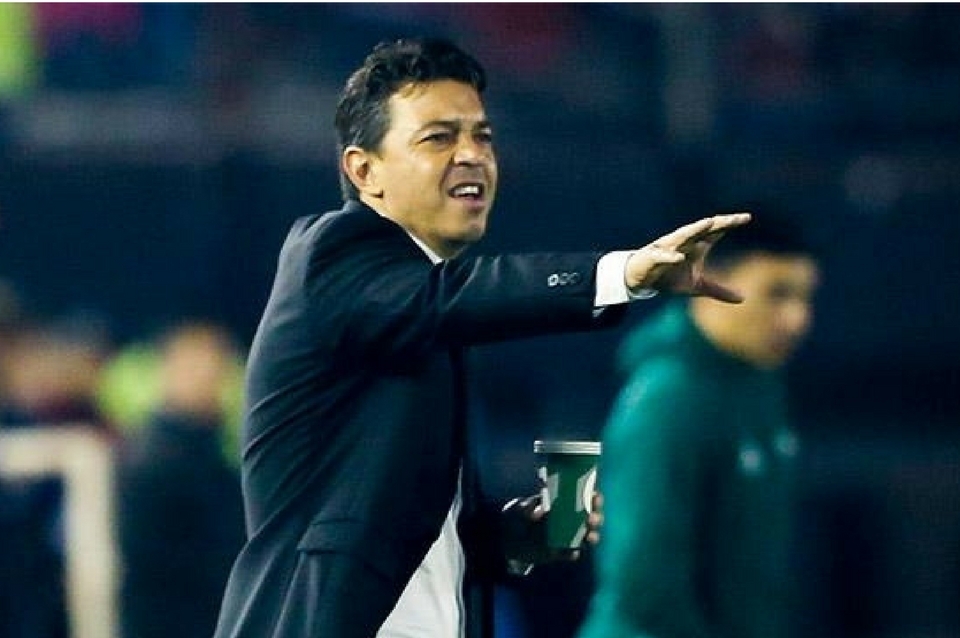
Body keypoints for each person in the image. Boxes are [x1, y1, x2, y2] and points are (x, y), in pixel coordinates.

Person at [212, 37, 751, 638]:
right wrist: (620, 273)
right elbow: (451, 298)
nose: (472, 155)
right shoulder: (332, 256)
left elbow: (404, 531)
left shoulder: (424, 309)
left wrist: (513, 537)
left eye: (482, 136)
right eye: (438, 138)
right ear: (364, 171)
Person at [576, 210, 820, 638]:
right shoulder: (667, 399)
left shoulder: (759, 390)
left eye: (805, 297)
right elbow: (643, 581)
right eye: (776, 294)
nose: (798, 319)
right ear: (709, 282)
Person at [115, 321, 246, 638]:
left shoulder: (210, 451)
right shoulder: (155, 460)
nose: (207, 380)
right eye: (194, 369)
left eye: (216, 369)